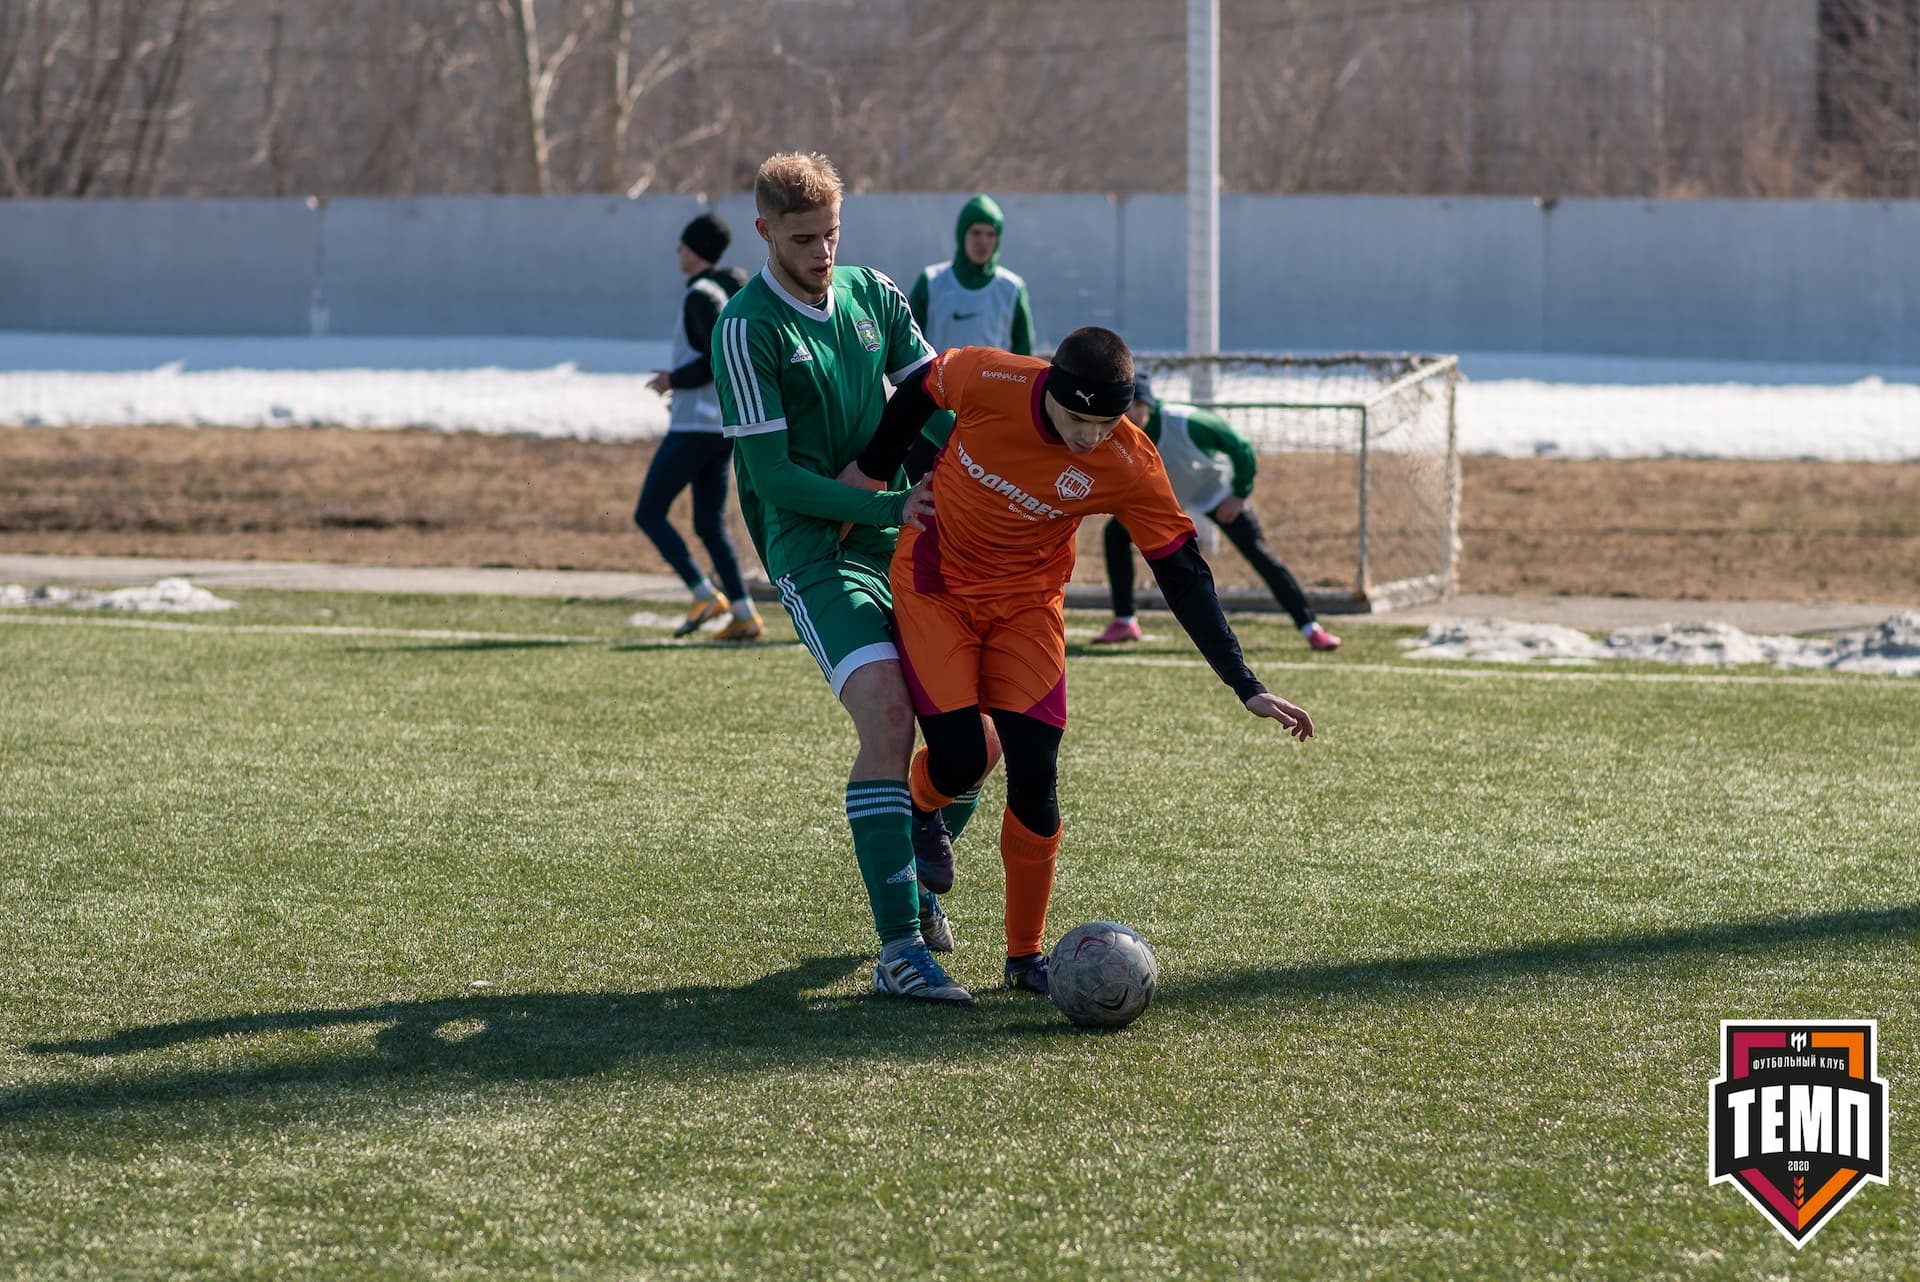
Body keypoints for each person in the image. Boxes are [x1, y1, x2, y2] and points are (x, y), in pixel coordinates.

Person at [849, 327, 1314, 996]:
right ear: (1049, 391)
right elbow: (920, 388)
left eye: (1107, 423)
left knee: (1037, 773)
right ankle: (923, 806)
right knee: (960, 757)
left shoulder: (1129, 460)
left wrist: (1245, 682)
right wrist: (877, 473)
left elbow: (1182, 571)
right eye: (1077, 419)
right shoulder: (989, 378)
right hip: (935, 585)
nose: (1091, 437)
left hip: (1027, 606)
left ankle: (1025, 956)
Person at [709, 151, 976, 1005]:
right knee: (889, 717)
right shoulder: (745, 328)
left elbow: (934, 402)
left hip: (902, 535)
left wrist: (996, 477)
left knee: (981, 727)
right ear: (764, 232)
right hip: (814, 550)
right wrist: (891, 503)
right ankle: (900, 949)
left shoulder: (875, 295)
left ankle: (920, 834)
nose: (822, 252)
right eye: (802, 239)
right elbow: (774, 479)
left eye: (831, 234)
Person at [1093, 372, 1340, 652]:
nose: (1132, 414)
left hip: (1215, 492)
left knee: (1258, 552)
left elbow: (1240, 447)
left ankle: (1311, 627)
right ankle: (1125, 621)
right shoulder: (1113, 432)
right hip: (1166, 501)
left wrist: (1239, 493)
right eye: (1126, 407)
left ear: (1150, 404)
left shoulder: (1185, 421)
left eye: (1139, 405)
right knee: (1115, 535)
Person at [642, 212, 764, 641]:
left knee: (649, 512)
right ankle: (745, 614)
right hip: (722, 426)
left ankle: (702, 592)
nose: (678, 251)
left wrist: (673, 379)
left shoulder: (701, 294)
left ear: (696, 250)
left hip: (695, 425)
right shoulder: (731, 287)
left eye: (683, 244)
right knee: (709, 525)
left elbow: (717, 357)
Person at [907, 193, 1037, 356]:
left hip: (993, 375)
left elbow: (1024, 353)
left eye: (990, 234)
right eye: (976, 233)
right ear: (962, 233)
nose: (983, 242)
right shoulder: (931, 281)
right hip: (940, 373)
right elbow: (908, 343)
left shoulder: (1012, 288)